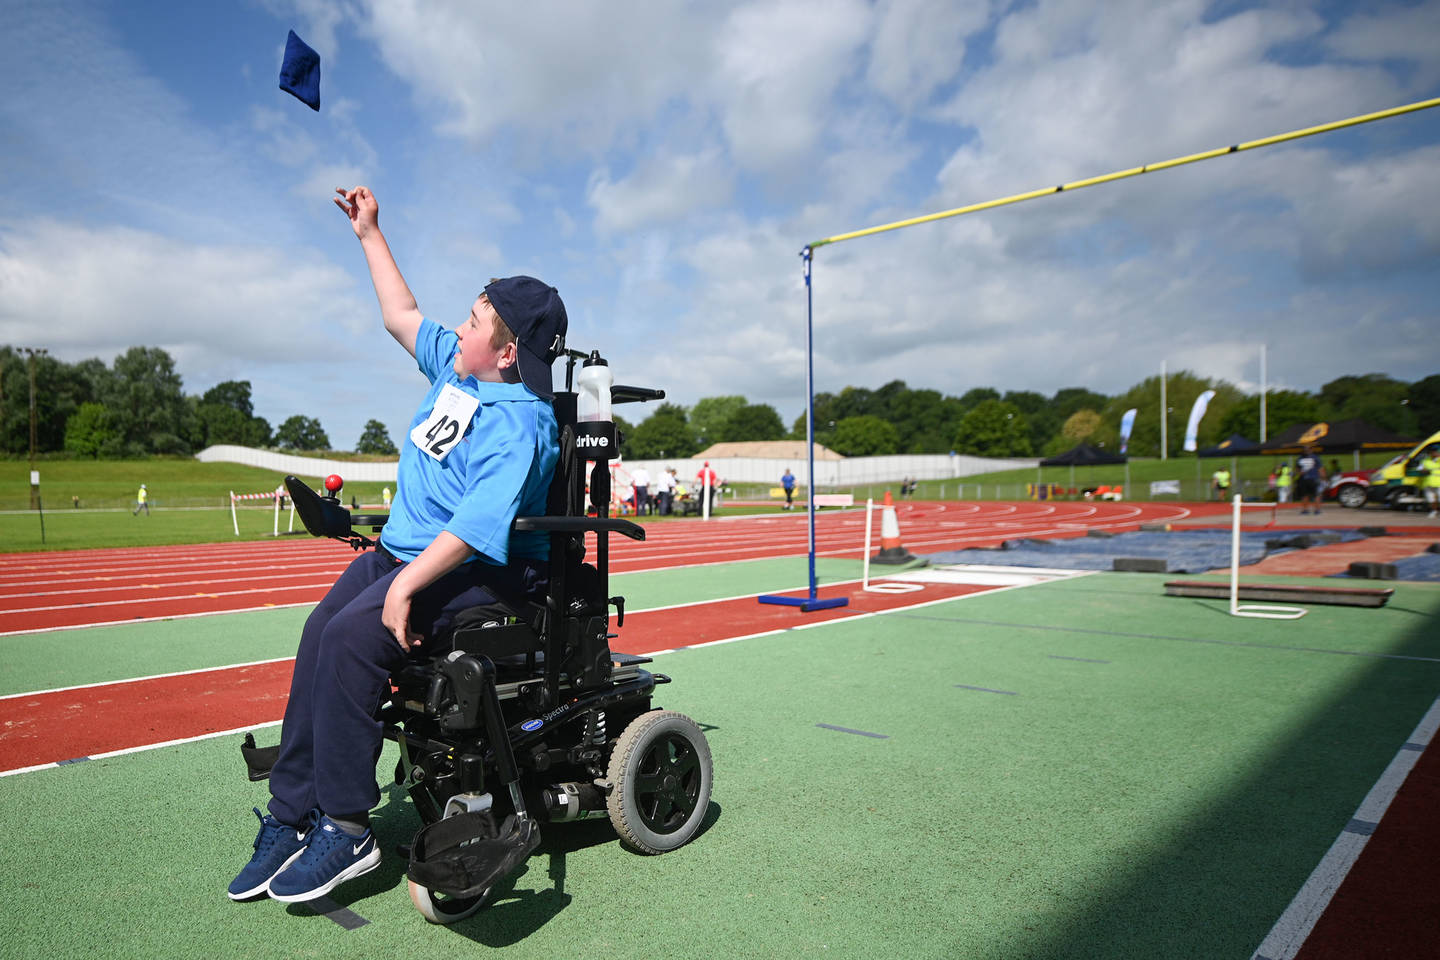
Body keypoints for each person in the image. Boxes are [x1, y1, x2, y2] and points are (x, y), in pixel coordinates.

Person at [228, 185, 566, 906]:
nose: (461, 323)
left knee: (354, 641)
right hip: (405, 551)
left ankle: (348, 827)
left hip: (478, 570)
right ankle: (292, 814)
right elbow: (400, 314)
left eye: (475, 319)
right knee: (322, 631)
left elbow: (479, 527)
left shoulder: (519, 422)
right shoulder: (458, 367)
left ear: (506, 352)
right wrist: (369, 232)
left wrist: (407, 587)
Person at [1294, 445, 1325, 515]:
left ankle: (1306, 510)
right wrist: (1323, 477)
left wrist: (1299, 473)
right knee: (1315, 494)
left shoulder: (1300, 458)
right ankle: (1316, 510)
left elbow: (1297, 470)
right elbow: (1320, 469)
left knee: (1305, 495)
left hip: (1305, 479)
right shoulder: (1315, 458)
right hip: (1312, 478)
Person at [1421, 444, 1440, 519]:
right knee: (1431, 499)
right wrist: (1423, 470)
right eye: (1432, 451)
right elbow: (1421, 469)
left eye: (1435, 451)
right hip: (1428, 482)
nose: (1433, 453)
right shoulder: (1425, 460)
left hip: (1439, 482)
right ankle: (1434, 511)